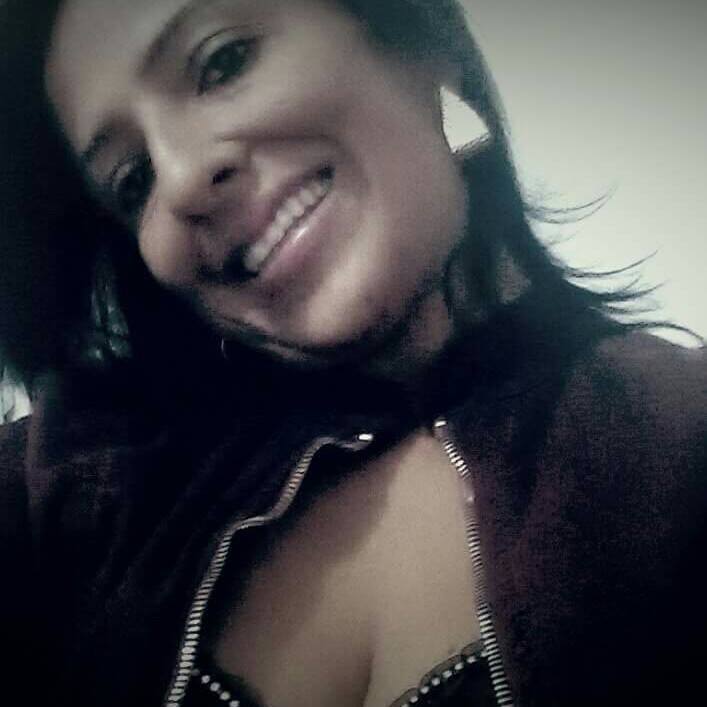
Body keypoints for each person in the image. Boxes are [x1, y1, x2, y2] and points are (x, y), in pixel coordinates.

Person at [0, 1, 705, 706]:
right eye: (134, 180)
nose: (180, 178)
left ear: (421, 40)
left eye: (223, 61)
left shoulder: (681, 440)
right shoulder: (78, 481)